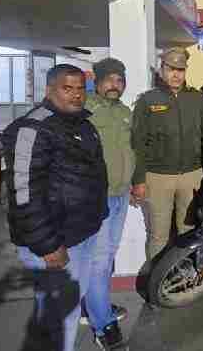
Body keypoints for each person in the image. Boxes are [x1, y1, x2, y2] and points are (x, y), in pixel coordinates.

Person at [1, 64, 108, 351]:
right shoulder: (32, 128)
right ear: (49, 90)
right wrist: (47, 244)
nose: (76, 95)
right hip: (55, 241)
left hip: (81, 233)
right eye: (67, 88)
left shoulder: (81, 123)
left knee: (62, 310)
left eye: (80, 89)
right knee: (61, 317)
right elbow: (23, 193)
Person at [130, 47, 203, 261]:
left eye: (180, 70)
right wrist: (138, 179)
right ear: (162, 69)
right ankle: (156, 275)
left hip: (192, 175)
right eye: (171, 69)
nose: (176, 74)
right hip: (158, 177)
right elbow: (137, 143)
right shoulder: (148, 100)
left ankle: (183, 274)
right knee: (158, 235)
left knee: (188, 232)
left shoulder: (197, 99)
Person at [78, 58, 132, 347]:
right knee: (99, 261)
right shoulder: (84, 111)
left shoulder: (124, 112)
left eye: (119, 80)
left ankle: (94, 307)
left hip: (120, 195)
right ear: (96, 82)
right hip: (97, 197)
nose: (115, 85)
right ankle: (103, 326)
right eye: (109, 79)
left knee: (107, 257)